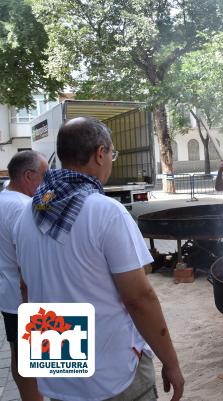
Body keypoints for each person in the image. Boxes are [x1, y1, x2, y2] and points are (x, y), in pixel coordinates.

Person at [14, 117, 184, 400]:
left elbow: (26, 289)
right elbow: (139, 298)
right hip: (111, 375)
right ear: (100, 153)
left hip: (56, 370)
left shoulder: (30, 213)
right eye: (112, 154)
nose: (111, 161)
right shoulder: (105, 211)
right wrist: (171, 361)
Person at [0, 151, 47, 401]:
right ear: (29, 176)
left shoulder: (3, 200)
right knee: (37, 365)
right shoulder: (23, 207)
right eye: (45, 176)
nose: (47, 182)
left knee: (20, 360)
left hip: (9, 299)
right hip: (25, 300)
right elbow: (25, 263)